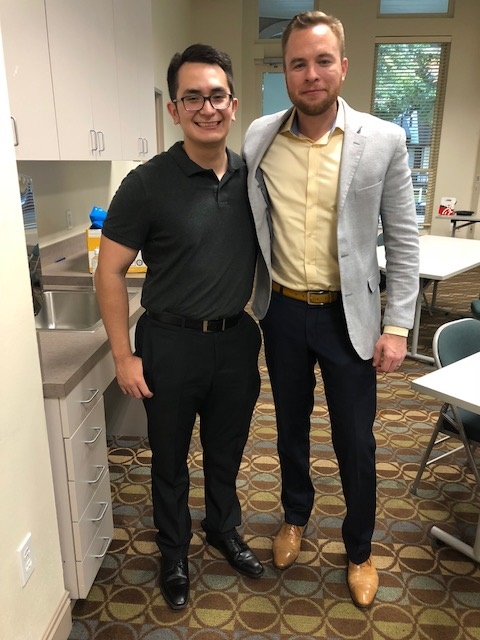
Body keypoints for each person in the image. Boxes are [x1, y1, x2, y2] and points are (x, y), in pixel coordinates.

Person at [243, 11, 419, 608]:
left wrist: (397, 326)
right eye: (298, 63)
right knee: (289, 428)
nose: (311, 74)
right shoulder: (259, 137)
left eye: (323, 61)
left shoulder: (385, 140)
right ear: (286, 71)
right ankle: (294, 516)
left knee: (355, 439)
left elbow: (403, 236)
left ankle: (361, 547)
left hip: (352, 321)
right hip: (284, 313)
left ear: (343, 67)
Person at [95, 43, 264, 611]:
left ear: (233, 104)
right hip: (168, 343)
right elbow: (110, 271)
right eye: (192, 97)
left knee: (226, 449)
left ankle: (222, 528)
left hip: (236, 341)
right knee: (167, 458)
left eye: (216, 96)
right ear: (174, 110)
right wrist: (123, 355)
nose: (206, 107)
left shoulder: (252, 176)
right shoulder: (146, 184)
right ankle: (174, 551)